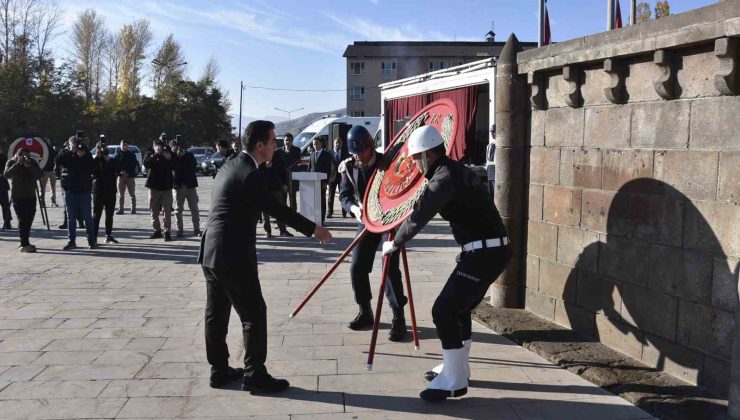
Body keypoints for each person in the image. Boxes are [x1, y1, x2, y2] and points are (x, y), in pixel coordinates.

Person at [199, 120, 332, 394]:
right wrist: (314, 229)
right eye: (272, 142)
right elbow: (276, 209)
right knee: (254, 313)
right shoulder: (249, 173)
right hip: (233, 255)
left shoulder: (233, 164)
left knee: (217, 314)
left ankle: (219, 371)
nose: (275, 146)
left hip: (212, 252)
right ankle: (255, 375)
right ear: (260, 145)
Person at [380, 126, 510, 402]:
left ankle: (453, 380)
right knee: (459, 311)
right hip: (485, 251)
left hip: (484, 254)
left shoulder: (444, 177)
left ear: (427, 155)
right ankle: (458, 366)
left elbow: (420, 214)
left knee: (444, 310)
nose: (415, 165)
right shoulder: (455, 170)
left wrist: (396, 242)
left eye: (416, 158)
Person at [339, 125, 407, 341]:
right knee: (356, 266)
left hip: (389, 220)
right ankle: (365, 311)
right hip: (366, 220)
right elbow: (345, 195)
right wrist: (353, 208)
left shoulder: (387, 162)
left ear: (370, 147)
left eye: (361, 152)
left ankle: (398, 317)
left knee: (389, 269)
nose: (357, 157)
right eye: (354, 153)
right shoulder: (348, 167)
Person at [56, 136, 96, 250]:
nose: (75, 147)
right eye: (72, 145)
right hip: (69, 190)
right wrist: (69, 152)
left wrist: (82, 156)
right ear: (69, 144)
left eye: (76, 145)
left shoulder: (85, 153)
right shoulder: (65, 153)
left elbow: (92, 168)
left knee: (87, 216)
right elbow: (58, 161)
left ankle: (91, 240)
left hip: (84, 190)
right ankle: (71, 241)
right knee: (71, 217)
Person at [3, 149, 42, 252]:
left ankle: (25, 241)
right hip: (18, 196)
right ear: (17, 155)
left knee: (29, 218)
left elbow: (39, 174)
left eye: (27, 156)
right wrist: (17, 164)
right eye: (22, 156)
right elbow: (7, 174)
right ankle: (23, 243)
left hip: (30, 195)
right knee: (22, 219)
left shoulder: (32, 162)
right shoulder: (11, 162)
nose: (25, 158)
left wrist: (30, 166)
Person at [144, 139, 174, 241]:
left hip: (166, 187)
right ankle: (157, 230)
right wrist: (154, 155)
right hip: (153, 187)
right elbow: (146, 164)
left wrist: (168, 158)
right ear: (153, 147)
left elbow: (174, 165)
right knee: (153, 210)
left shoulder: (168, 154)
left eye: (160, 146)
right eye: (156, 146)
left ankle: (167, 232)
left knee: (167, 210)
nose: (158, 148)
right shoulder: (150, 154)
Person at [170, 137, 201, 237]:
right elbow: (174, 166)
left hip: (190, 185)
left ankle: (197, 229)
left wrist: (184, 156)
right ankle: (179, 230)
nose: (180, 149)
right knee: (178, 209)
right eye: (177, 146)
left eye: (181, 147)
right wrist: (175, 155)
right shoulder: (173, 156)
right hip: (178, 185)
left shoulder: (190, 155)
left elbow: (193, 165)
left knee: (194, 208)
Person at [260, 148, 292, 238]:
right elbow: (256, 170)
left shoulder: (277, 156)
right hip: (265, 188)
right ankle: (268, 231)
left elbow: (283, 171)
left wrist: (285, 184)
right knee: (265, 211)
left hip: (276, 187)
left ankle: (283, 230)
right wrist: (264, 167)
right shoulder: (261, 156)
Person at [92, 141, 120, 244]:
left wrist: (108, 160)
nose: (103, 151)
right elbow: (92, 171)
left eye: (104, 149)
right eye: (100, 149)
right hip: (98, 190)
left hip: (110, 190)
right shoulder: (95, 160)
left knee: (109, 214)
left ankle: (108, 235)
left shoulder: (111, 159)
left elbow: (118, 169)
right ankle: (93, 236)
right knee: (96, 214)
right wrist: (97, 157)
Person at [308, 137, 332, 226]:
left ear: (321, 144)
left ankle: (321, 220)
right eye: (314, 144)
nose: (315, 145)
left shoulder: (326, 155)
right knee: (314, 201)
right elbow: (309, 168)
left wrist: (326, 182)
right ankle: (314, 219)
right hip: (313, 182)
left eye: (317, 143)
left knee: (321, 201)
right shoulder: (312, 154)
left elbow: (328, 169)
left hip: (322, 182)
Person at [327, 137, 348, 218]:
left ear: (342, 144)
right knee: (330, 196)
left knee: (343, 195)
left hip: (342, 177)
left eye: (339, 143)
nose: (338, 144)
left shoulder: (345, 153)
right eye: (336, 143)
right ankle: (330, 212)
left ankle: (344, 212)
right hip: (332, 177)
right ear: (333, 143)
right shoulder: (329, 153)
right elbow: (327, 166)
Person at [115, 139, 138, 215]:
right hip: (121, 177)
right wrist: (120, 172)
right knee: (121, 195)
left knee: (132, 194)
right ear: (120, 145)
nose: (124, 146)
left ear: (128, 146)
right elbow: (115, 166)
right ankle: (121, 209)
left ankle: (133, 208)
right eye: (123, 145)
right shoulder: (117, 155)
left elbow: (134, 165)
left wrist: (128, 172)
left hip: (130, 177)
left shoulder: (132, 155)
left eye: (126, 145)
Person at [281, 133, 301, 211]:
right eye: (286, 140)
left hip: (292, 178)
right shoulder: (279, 152)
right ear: (284, 141)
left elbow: (297, 161)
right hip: (282, 179)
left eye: (290, 140)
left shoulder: (297, 150)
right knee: (283, 200)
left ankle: (293, 218)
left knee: (292, 200)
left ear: (292, 141)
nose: (288, 142)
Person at [40, 142, 58, 207]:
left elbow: (55, 157)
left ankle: (53, 201)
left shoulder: (50, 148)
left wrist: (56, 166)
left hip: (51, 170)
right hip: (45, 170)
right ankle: (42, 202)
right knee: (43, 187)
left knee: (52, 187)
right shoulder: (42, 148)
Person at [0, 146, 12, 230]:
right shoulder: (3, 157)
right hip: (2, 182)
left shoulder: (3, 157)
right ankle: (7, 223)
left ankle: (7, 222)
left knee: (5, 204)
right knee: (5, 204)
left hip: (2, 182)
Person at [486, 124, 496, 195]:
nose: (492, 134)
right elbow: (488, 160)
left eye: (493, 132)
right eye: (491, 132)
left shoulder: (499, 146)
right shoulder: (489, 146)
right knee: (491, 194)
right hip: (490, 172)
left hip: (496, 172)